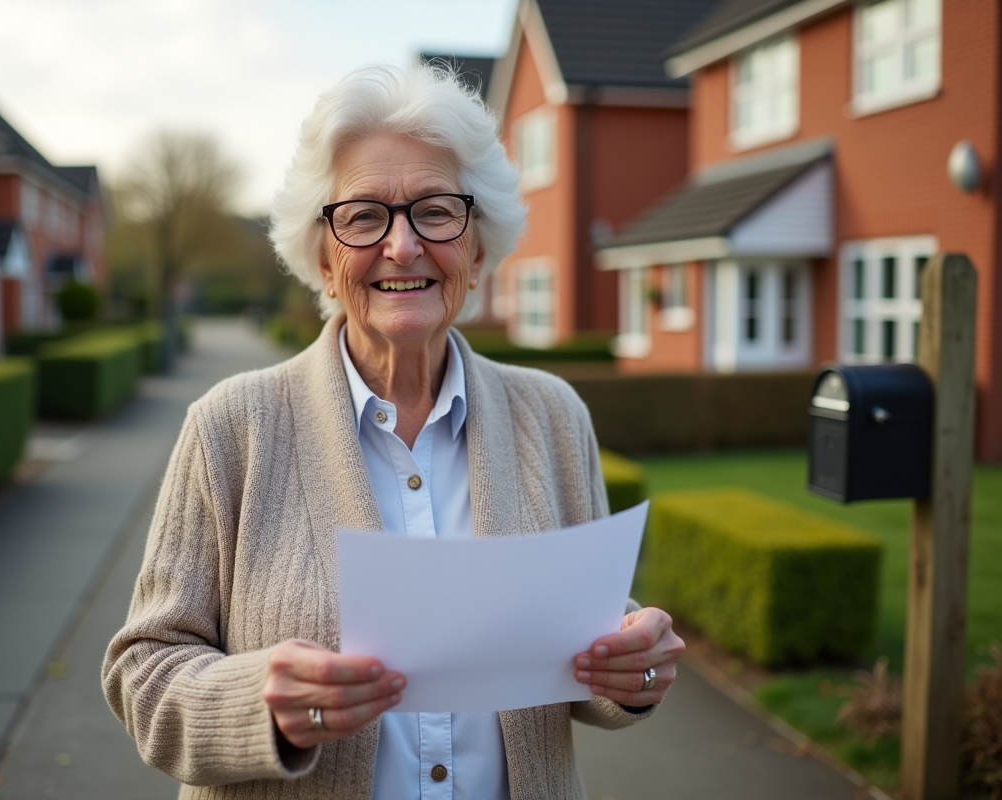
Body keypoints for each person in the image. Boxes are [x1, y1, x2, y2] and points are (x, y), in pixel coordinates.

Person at [102, 63, 684, 800]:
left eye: (436, 211)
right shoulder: (231, 426)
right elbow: (144, 674)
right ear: (323, 254)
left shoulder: (554, 416)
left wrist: (627, 665)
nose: (403, 247)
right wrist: (265, 703)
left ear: (476, 247)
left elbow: (583, 658)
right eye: (365, 214)